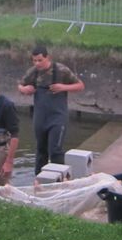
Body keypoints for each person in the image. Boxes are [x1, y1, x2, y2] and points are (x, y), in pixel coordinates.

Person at [18, 45, 84, 175]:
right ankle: (39, 180)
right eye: (34, 60)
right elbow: (20, 85)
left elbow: (80, 86)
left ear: (47, 57)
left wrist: (63, 87)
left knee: (55, 151)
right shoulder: (33, 72)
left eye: (40, 60)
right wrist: (24, 89)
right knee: (41, 150)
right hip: (40, 117)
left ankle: (59, 179)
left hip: (58, 117)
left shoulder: (61, 70)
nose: (37, 63)